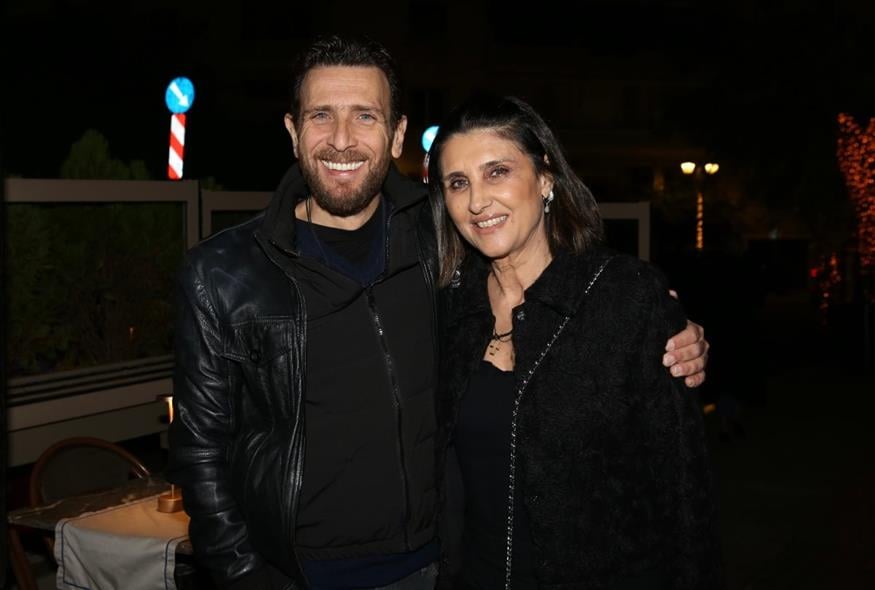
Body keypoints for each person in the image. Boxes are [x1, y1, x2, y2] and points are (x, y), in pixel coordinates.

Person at [167, 36, 710, 590]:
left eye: (365, 115)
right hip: (298, 575)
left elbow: (673, 483)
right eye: (321, 115)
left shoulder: (438, 250)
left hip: (434, 568)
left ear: (397, 133)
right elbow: (200, 450)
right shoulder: (224, 274)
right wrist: (244, 577)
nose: (342, 138)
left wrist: (664, 329)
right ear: (292, 130)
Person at [428, 95, 721, 589]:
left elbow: (684, 495)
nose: (477, 201)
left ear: (545, 177)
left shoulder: (625, 298)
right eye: (458, 182)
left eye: (497, 172)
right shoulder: (449, 311)